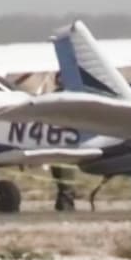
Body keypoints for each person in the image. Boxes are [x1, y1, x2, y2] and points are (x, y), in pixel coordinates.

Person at [48, 73, 78, 211]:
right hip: (55, 139)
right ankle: (64, 201)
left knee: (65, 172)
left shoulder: (72, 97)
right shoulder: (56, 96)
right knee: (59, 172)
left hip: (67, 140)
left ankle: (66, 202)